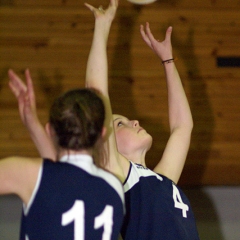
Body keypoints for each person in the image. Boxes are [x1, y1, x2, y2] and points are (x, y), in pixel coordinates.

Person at [13, 0, 200, 239]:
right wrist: (102, 28)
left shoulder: (161, 179)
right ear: (106, 142)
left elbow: (183, 127)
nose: (134, 122)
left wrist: (168, 62)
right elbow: (97, 93)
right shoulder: (120, 174)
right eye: (119, 123)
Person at [1, 69, 124, 240]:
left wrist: (33, 125)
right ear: (102, 134)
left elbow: (56, 176)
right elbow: (64, 176)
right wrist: (33, 125)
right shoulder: (114, 188)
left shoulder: (30, 174)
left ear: (50, 131)